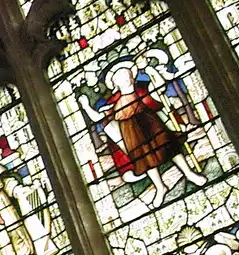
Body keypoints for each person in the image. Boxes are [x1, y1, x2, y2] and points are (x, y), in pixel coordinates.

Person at [84, 62, 207, 208]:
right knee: (144, 158)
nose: (126, 77)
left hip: (149, 122)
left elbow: (157, 93)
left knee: (169, 146)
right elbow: (102, 120)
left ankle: (189, 173)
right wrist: (86, 106)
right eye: (121, 76)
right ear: (115, 83)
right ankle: (160, 187)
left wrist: (152, 71)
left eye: (127, 74)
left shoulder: (141, 92)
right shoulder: (112, 104)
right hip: (130, 132)